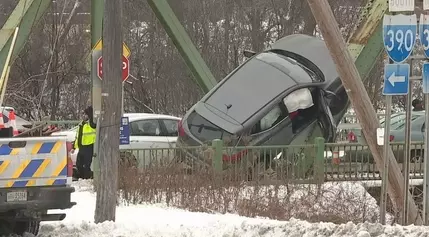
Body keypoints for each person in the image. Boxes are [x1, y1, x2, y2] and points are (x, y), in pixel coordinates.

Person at [72, 106, 96, 179]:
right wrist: (74, 147)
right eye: (83, 114)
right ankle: (84, 176)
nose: (84, 116)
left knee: (86, 165)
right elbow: (78, 137)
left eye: (86, 114)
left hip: (89, 147)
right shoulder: (81, 124)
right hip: (82, 147)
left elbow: (94, 126)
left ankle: (86, 177)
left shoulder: (91, 124)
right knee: (79, 164)